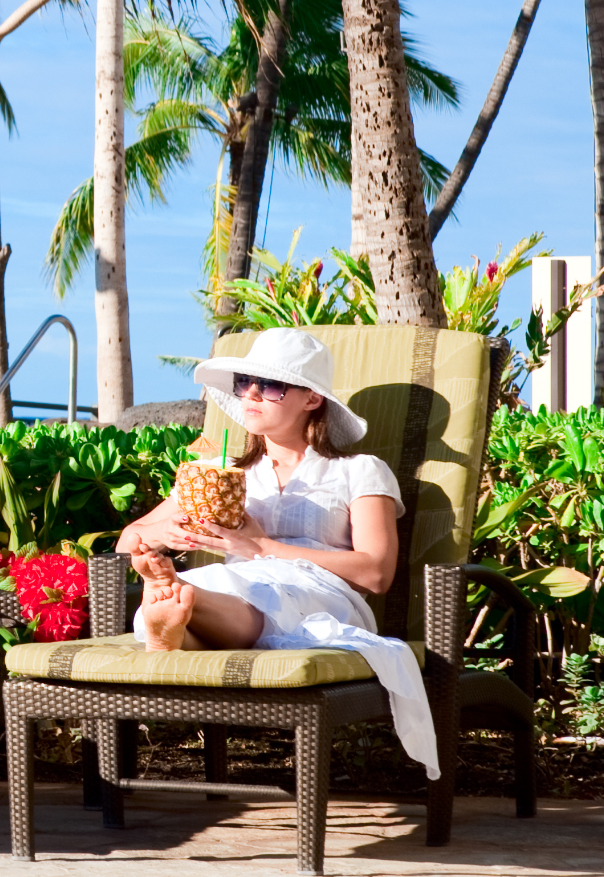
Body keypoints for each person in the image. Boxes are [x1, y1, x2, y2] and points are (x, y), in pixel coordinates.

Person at [113, 327, 438, 777]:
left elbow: (377, 573)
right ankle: (176, 614)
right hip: (234, 589)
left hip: (321, 596)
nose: (251, 392)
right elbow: (128, 541)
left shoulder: (359, 472)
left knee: (220, 591)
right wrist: (164, 531)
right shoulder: (217, 474)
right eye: (246, 381)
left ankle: (178, 598)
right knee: (217, 588)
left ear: (311, 399)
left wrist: (262, 546)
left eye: (270, 384)